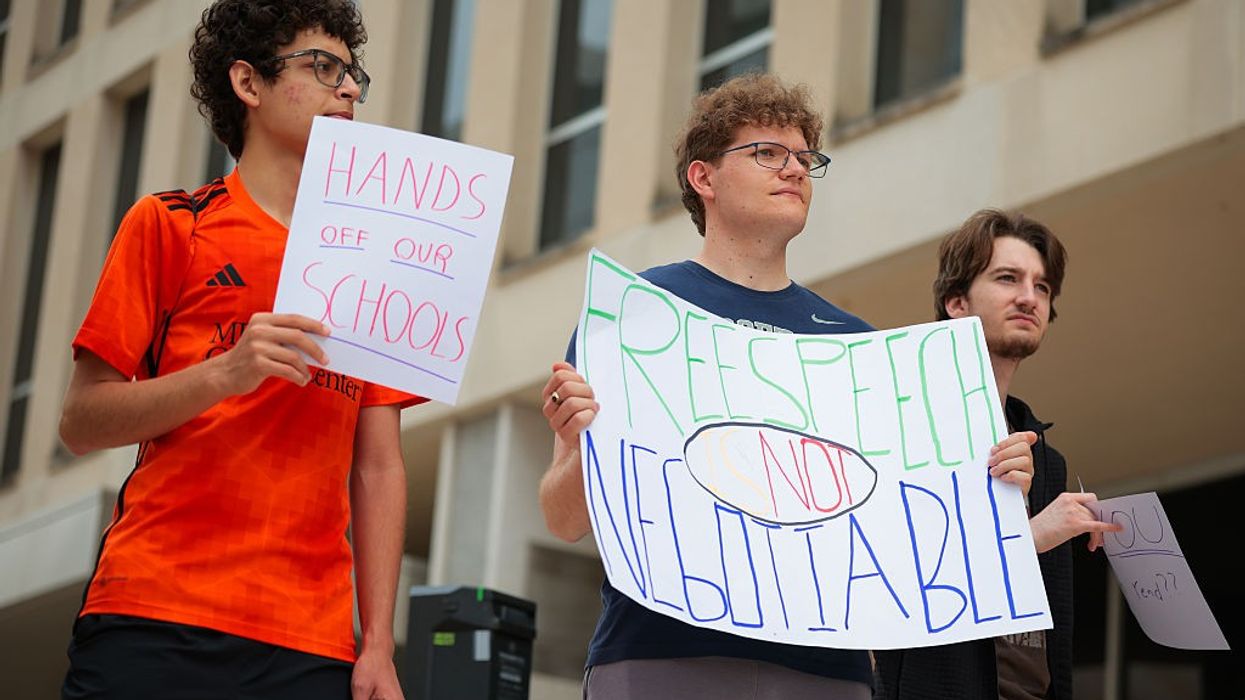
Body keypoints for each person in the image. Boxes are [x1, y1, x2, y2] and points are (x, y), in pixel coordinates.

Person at [538, 74, 1038, 700]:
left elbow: (908, 523)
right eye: (767, 154)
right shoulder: (635, 313)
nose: (795, 171)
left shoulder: (857, 344)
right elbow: (563, 521)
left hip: (826, 669)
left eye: (806, 158)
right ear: (704, 178)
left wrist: (992, 485)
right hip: (660, 654)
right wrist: (580, 444)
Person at [57, 2, 420, 698]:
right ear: (248, 84)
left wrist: (377, 644)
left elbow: (378, 465)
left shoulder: (374, 264)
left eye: (353, 75)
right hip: (153, 612)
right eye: (322, 67)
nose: (347, 89)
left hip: (308, 641)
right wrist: (228, 371)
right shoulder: (170, 224)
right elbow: (81, 422)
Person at [872, 210, 1122, 700]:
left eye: (1043, 287)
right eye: (1008, 278)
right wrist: (1026, 537)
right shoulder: (901, 425)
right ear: (957, 303)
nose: (1029, 297)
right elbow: (887, 586)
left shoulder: (1048, 461)